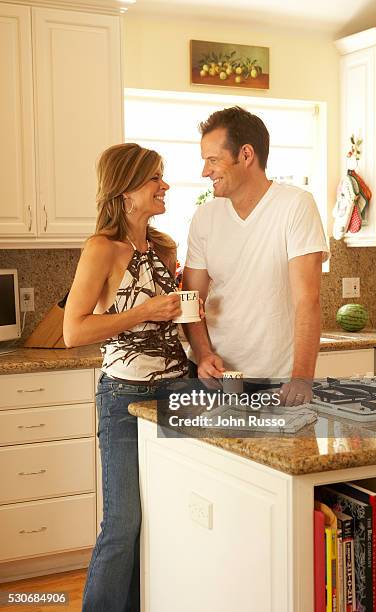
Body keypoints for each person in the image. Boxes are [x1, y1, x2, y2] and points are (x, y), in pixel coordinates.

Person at [63, 143, 189, 612]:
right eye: (154, 178)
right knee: (122, 522)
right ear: (125, 190)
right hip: (125, 397)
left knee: (167, 517)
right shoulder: (102, 249)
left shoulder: (163, 246)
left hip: (178, 391)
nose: (165, 185)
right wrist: (144, 310)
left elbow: (171, 321)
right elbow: (74, 331)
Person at [182, 106, 329, 406]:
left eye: (213, 160)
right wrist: (203, 354)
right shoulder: (205, 217)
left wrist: (301, 378)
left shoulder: (295, 206)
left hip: (277, 382)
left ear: (246, 155)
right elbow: (190, 299)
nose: (204, 172)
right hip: (216, 382)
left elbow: (308, 300)